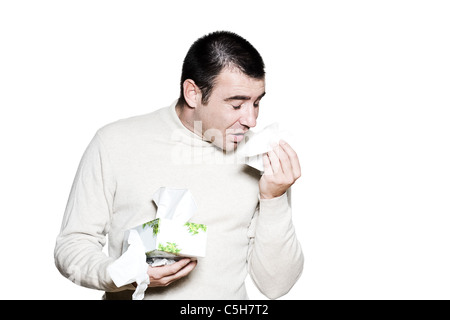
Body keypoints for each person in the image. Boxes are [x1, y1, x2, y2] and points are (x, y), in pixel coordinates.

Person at [54, 31, 304, 300]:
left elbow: (276, 286)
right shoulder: (114, 142)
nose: (251, 120)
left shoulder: (260, 158)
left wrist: (274, 198)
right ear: (193, 94)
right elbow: (72, 245)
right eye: (236, 105)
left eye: (256, 103)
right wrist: (123, 274)